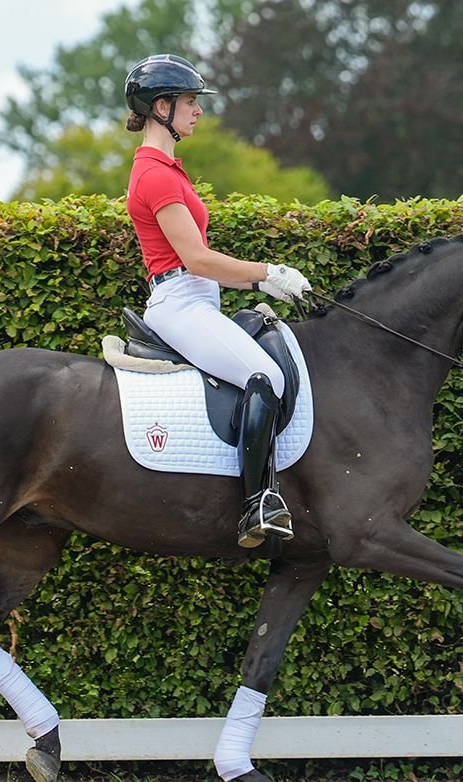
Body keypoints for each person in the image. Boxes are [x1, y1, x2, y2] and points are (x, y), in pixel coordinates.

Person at [124, 53, 313, 549]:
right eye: (189, 101)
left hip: (196, 300)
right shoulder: (156, 175)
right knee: (265, 376)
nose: (198, 110)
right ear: (160, 106)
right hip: (181, 301)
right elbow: (197, 259)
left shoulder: (167, 169)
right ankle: (257, 503)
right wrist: (266, 275)